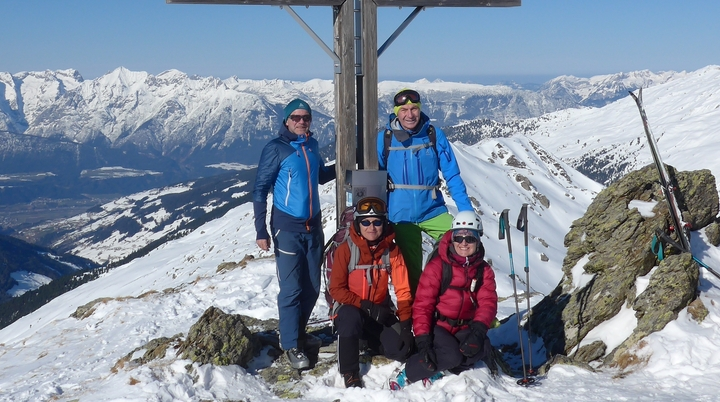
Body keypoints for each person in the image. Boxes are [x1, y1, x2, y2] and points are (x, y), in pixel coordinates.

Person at [253, 98, 335, 370]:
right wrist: (261, 229)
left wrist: (347, 166)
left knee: (312, 286)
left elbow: (320, 176)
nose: (301, 121)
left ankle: (298, 335)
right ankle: (290, 345)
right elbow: (260, 189)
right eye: (296, 117)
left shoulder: (311, 145)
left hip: (313, 226)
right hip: (287, 228)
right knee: (291, 289)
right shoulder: (276, 149)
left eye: (306, 118)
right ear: (286, 121)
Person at [377, 88, 474, 294]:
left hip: (433, 211)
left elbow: (452, 175)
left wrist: (466, 212)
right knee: (410, 272)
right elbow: (376, 176)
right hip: (400, 217)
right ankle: (415, 318)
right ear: (396, 112)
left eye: (414, 109)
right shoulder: (385, 138)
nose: (409, 114)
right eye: (404, 109)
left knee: (460, 243)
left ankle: (452, 301)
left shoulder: (433, 135)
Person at [391, 210, 497, 389]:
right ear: (452, 237)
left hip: (464, 326)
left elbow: (488, 303)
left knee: (481, 347)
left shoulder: (483, 270)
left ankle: (440, 368)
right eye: (458, 237)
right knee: (452, 355)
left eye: (470, 238)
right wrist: (423, 340)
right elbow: (423, 305)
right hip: (439, 325)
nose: (464, 243)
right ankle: (408, 372)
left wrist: (478, 332)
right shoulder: (438, 266)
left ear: (478, 240)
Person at [328, 196, 414, 388]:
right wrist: (365, 306)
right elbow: (336, 289)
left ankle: (365, 340)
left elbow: (403, 290)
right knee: (350, 317)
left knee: (401, 349)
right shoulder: (346, 250)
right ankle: (350, 372)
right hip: (351, 308)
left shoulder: (392, 251)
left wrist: (406, 325)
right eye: (365, 222)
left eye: (377, 222)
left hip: (379, 310)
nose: (371, 227)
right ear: (358, 223)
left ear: (384, 223)